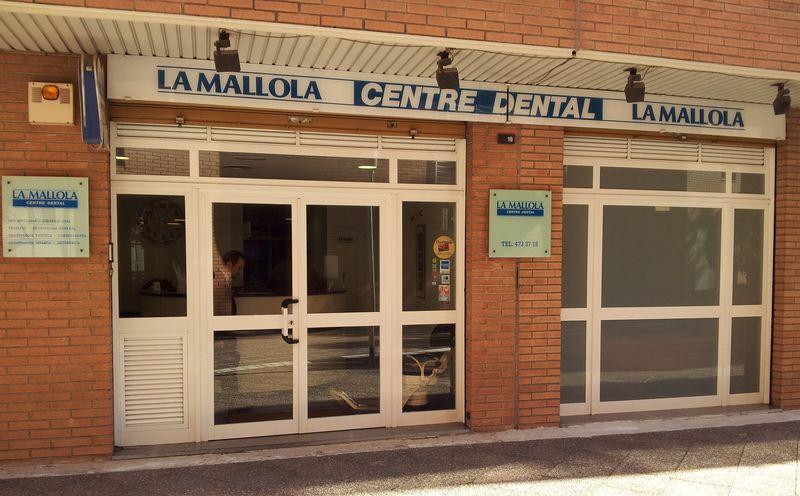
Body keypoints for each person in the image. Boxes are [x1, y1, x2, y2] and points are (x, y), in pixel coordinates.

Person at [214, 250, 245, 316]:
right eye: (239, 268)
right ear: (229, 264)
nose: (239, 272)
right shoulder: (218, 281)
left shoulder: (225, 280)